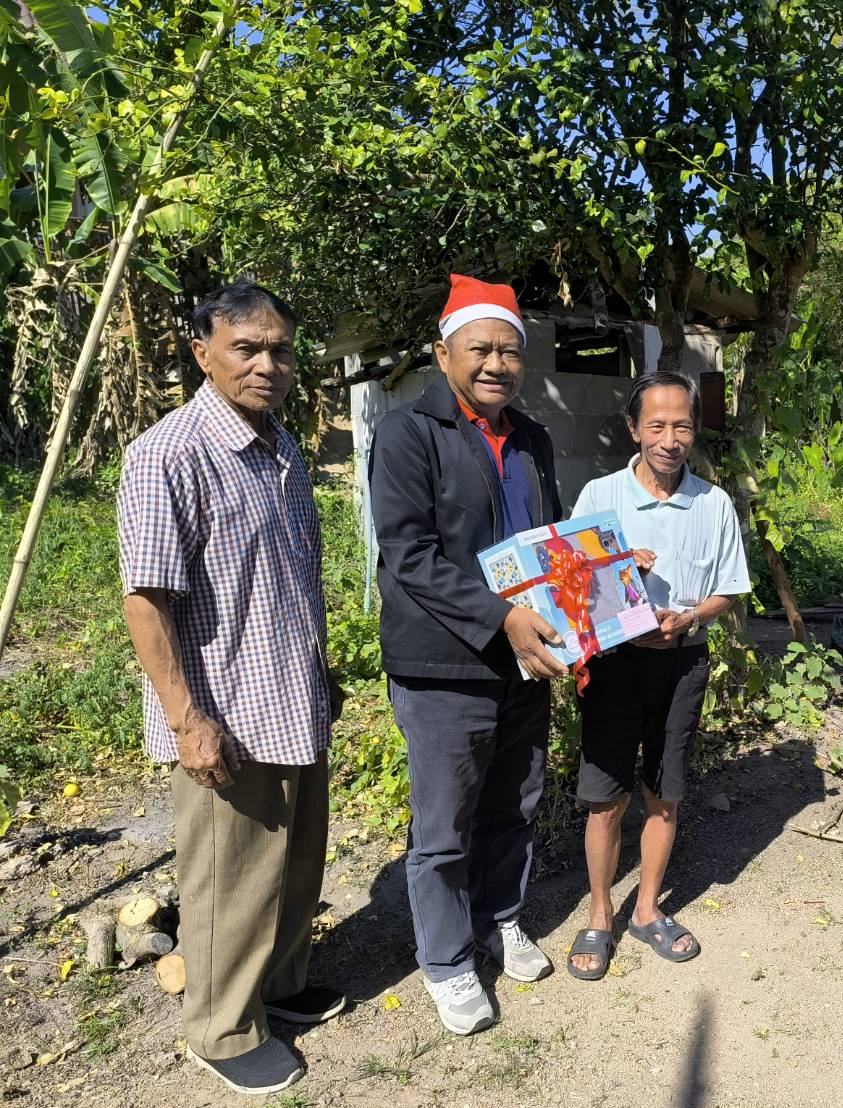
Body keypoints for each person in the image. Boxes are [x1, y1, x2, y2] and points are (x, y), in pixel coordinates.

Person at [118, 282, 344, 1096]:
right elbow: (146, 602)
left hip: (290, 694)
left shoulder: (280, 447)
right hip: (225, 713)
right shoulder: (169, 455)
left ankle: (276, 986)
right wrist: (188, 721)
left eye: (280, 349)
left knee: (294, 865)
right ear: (203, 353)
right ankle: (219, 1027)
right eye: (246, 348)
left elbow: (285, 577)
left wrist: (320, 670)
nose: (267, 364)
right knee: (230, 880)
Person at [370, 275, 565, 1035]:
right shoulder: (408, 433)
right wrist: (502, 617)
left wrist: (598, 585)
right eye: (480, 348)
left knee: (515, 802)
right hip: (443, 663)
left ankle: (499, 917)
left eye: (509, 351)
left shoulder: (532, 437)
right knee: (446, 821)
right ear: (442, 353)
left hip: (522, 657)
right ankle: (447, 960)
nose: (496, 364)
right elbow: (409, 555)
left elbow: (547, 543)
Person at [564, 370, 751, 981]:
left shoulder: (713, 504)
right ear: (633, 429)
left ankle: (646, 910)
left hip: (681, 662)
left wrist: (691, 616)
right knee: (604, 800)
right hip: (613, 667)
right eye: (657, 426)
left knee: (664, 794)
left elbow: (729, 587)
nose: (670, 440)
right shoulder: (600, 497)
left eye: (682, 427)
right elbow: (569, 583)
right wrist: (619, 567)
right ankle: (599, 914)